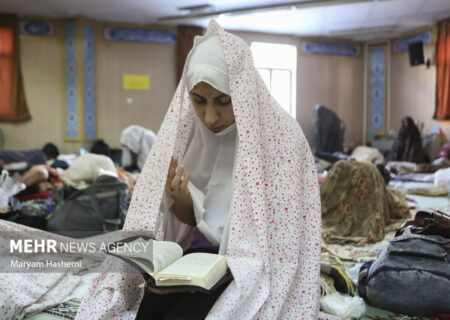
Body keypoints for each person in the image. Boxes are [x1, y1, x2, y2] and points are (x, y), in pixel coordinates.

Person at [75, 20, 330, 320]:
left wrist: (238, 262)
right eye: (199, 101)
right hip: (196, 262)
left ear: (244, 93)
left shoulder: (282, 140)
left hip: (251, 269)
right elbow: (195, 222)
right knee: (150, 310)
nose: (210, 117)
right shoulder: (191, 133)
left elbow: (284, 243)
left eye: (223, 101)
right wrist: (181, 200)